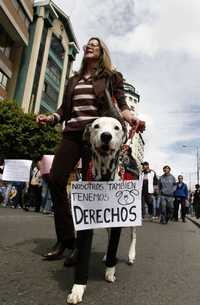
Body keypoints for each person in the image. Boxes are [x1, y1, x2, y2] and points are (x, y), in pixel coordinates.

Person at [36, 37, 145, 266]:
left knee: (89, 190)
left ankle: (82, 247)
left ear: (102, 50)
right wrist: (50, 118)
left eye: (94, 44)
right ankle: (67, 240)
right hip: (72, 133)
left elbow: (122, 104)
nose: (89, 46)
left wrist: (131, 117)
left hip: (97, 135)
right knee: (55, 179)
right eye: (88, 44)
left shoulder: (111, 76)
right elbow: (64, 110)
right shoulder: (73, 79)